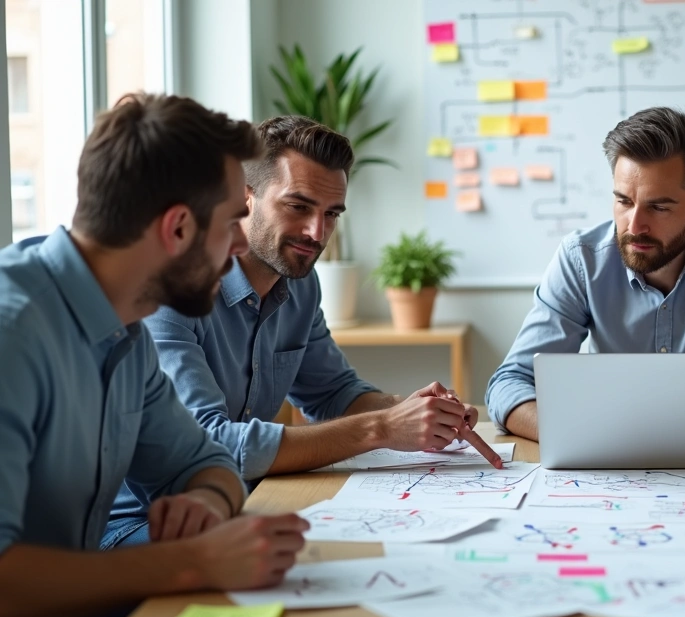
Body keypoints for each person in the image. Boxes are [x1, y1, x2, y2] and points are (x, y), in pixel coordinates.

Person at [105, 115, 499, 550]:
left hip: (239, 504)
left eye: (331, 214)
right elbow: (207, 446)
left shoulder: (300, 284)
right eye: (298, 206)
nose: (317, 233)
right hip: (138, 524)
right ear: (243, 198)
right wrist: (382, 427)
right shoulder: (171, 292)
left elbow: (332, 393)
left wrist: (414, 411)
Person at [0, 94, 309, 617]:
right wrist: (194, 561)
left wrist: (204, 500)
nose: (241, 246)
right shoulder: (13, 333)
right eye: (232, 223)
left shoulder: (124, 329)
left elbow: (207, 463)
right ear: (179, 228)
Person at [486, 106, 685, 447]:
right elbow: (510, 384)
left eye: (658, 207)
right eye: (624, 202)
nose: (635, 226)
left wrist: (669, 440)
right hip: (605, 458)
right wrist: (587, 436)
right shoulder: (581, 258)